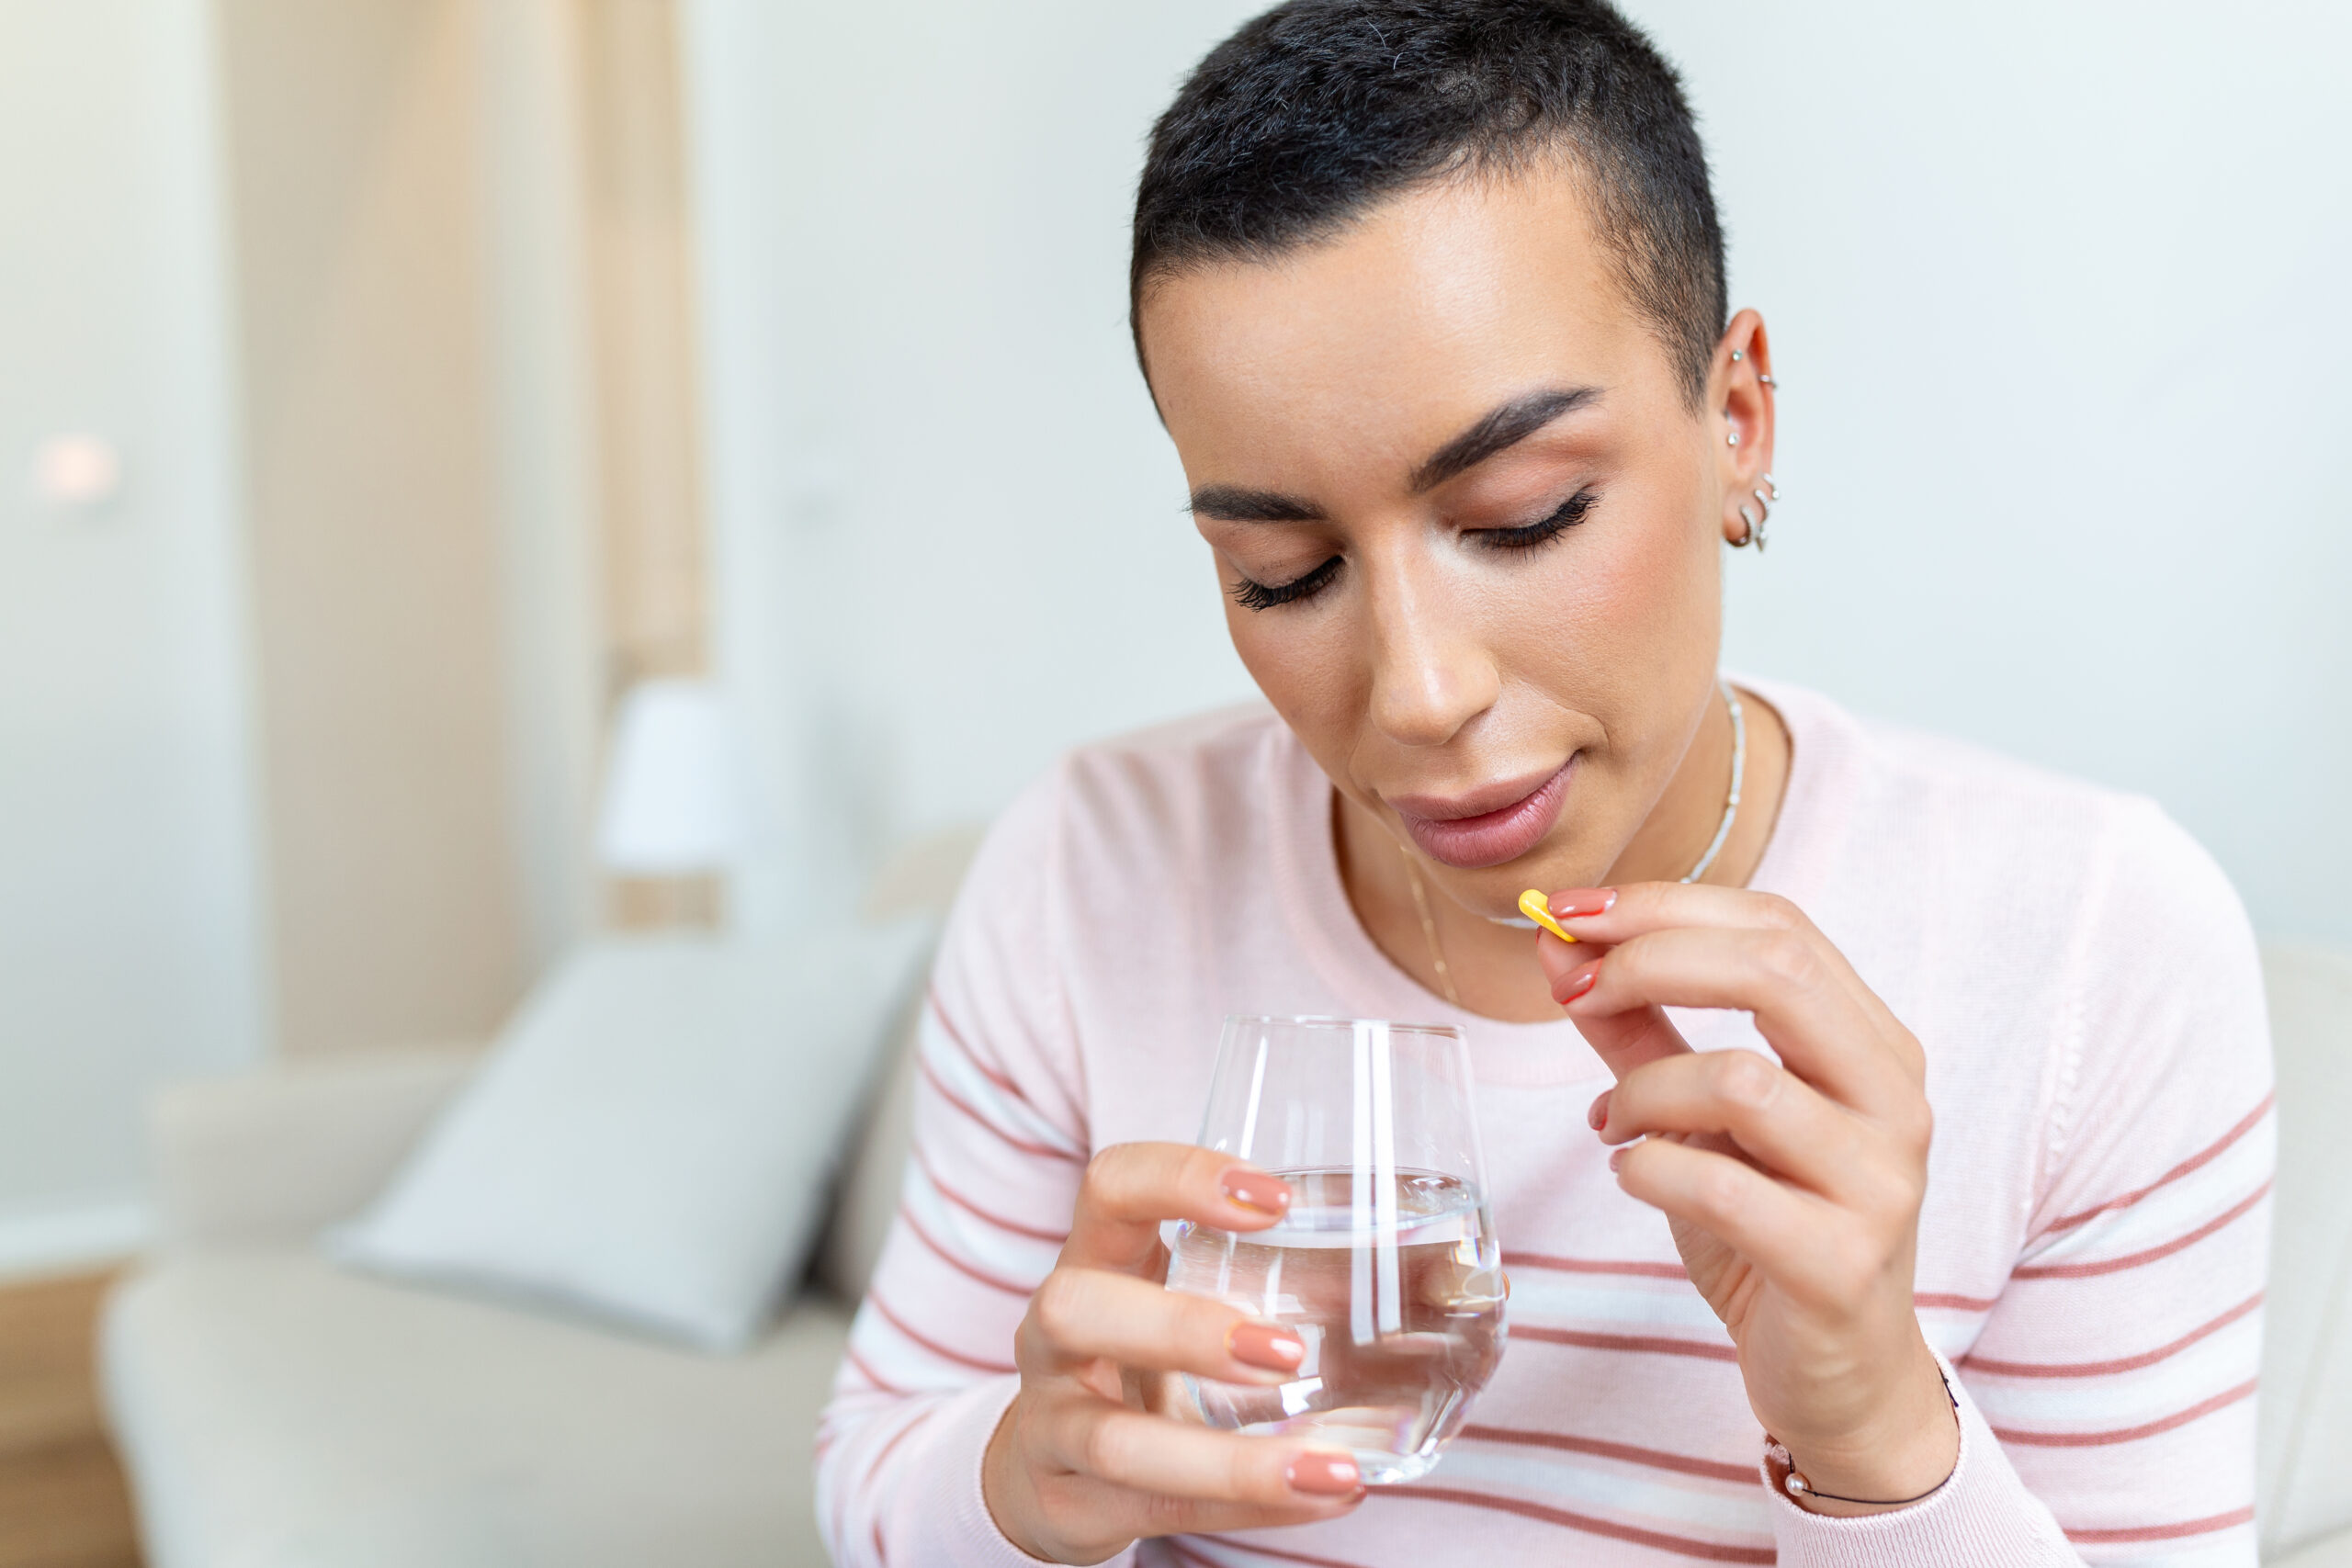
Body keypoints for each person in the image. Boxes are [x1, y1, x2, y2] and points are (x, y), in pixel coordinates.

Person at [816, 2, 2272, 1562]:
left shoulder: (2094, 948)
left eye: (1522, 517)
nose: (1420, 694)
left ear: (1737, 419)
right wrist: (1027, 1483)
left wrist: (1874, 1438)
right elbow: (877, 1468)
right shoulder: (1087, 867)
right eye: (1283, 573)